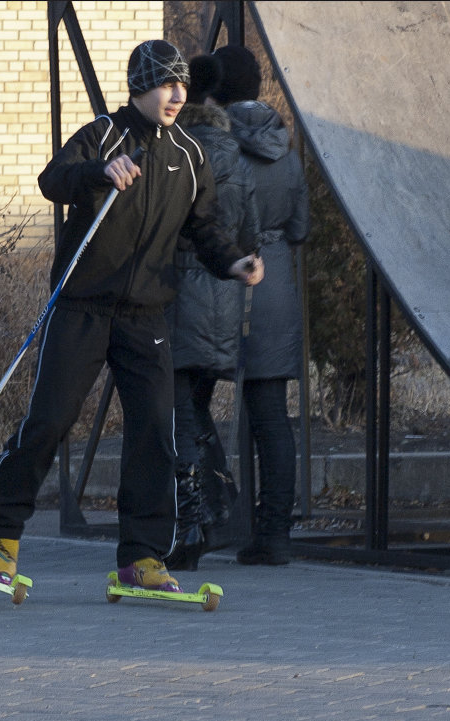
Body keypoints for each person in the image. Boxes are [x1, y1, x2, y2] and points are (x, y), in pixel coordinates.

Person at [0, 40, 263, 593]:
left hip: (146, 314)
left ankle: (141, 559)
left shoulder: (190, 154)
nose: (177, 95)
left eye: (182, 85)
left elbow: (203, 229)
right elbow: (51, 180)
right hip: (82, 305)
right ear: (140, 87)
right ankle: (1, 541)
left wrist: (234, 261)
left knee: (155, 430)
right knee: (51, 420)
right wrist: (98, 172)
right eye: (164, 84)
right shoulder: (102, 135)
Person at [210, 44, 311, 566]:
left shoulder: (209, 145)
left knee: (187, 401)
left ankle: (208, 516)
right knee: (272, 417)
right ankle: (274, 534)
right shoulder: (287, 150)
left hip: (217, 281)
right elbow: (300, 229)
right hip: (274, 289)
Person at [163, 54, 261, 571]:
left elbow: (166, 227)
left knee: (179, 411)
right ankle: (221, 511)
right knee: (197, 409)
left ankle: (193, 522)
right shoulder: (238, 156)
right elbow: (250, 233)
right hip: (225, 300)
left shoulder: (182, 150)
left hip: (180, 297)